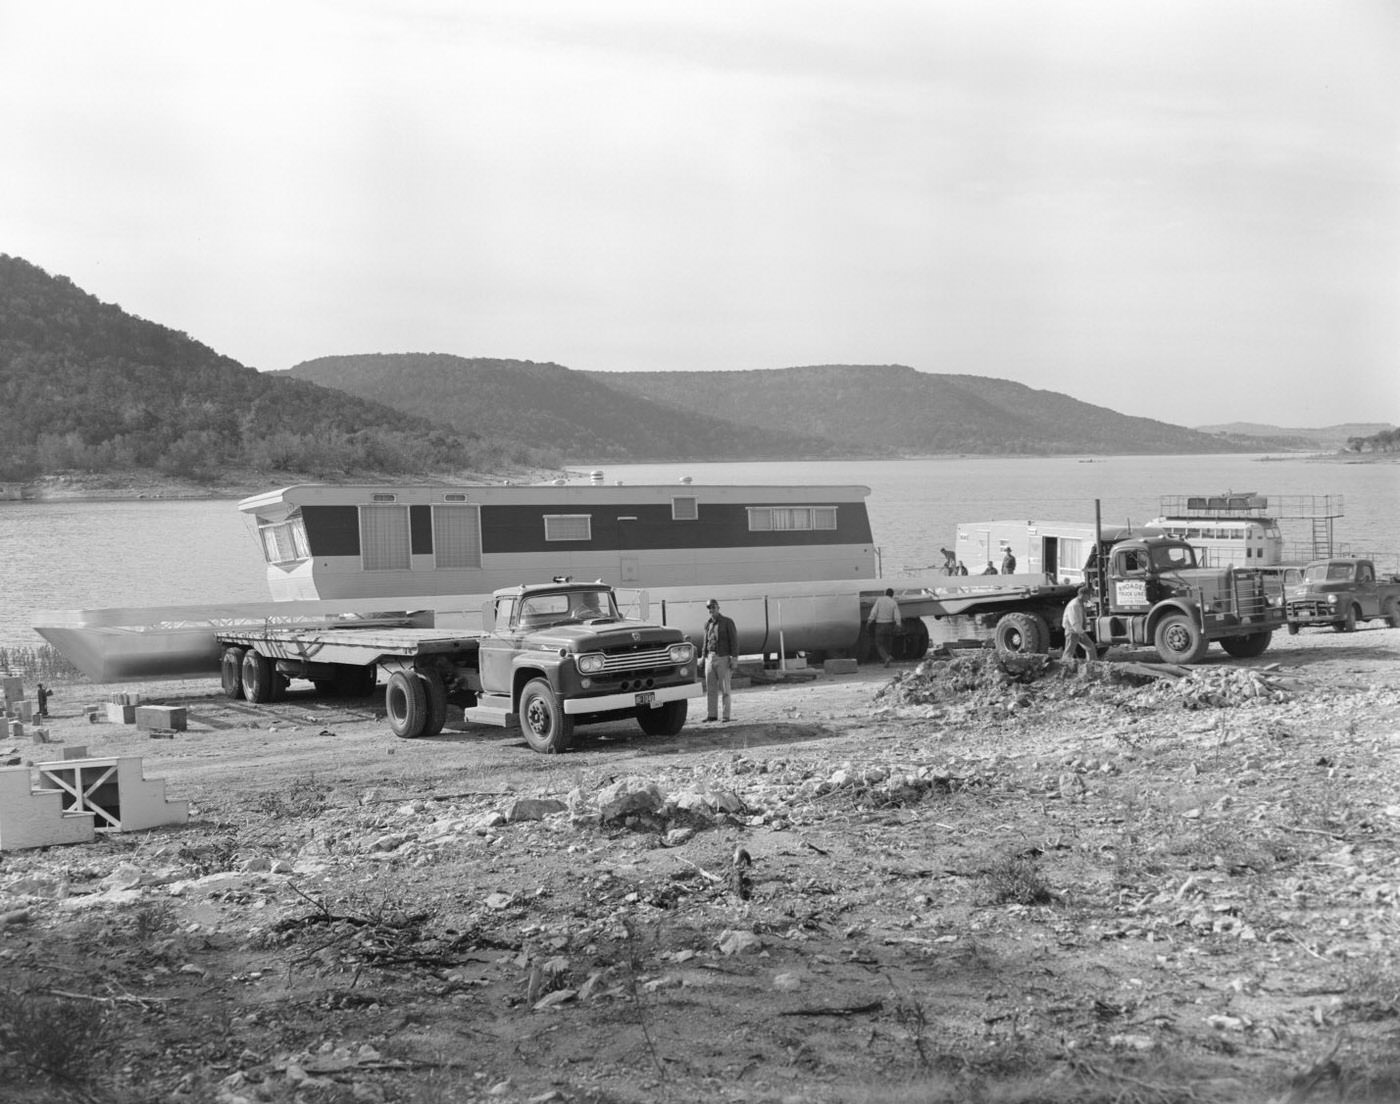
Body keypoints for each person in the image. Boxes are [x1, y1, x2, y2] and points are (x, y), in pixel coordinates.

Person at [700, 598, 739, 722]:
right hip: (709, 658)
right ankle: (712, 715)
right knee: (711, 688)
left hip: (723, 657)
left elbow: (734, 641)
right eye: (709, 608)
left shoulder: (727, 622)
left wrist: (734, 658)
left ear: (718, 607)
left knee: (725, 689)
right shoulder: (707, 624)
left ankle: (726, 716)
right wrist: (703, 657)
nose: (711, 610)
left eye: (713, 607)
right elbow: (705, 642)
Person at [866, 587, 903, 667]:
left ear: (885, 593)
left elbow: (874, 612)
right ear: (892, 595)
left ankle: (886, 658)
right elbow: (897, 615)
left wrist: (869, 621)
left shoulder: (879, 600)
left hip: (880, 625)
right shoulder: (893, 602)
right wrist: (898, 624)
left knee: (879, 643)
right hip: (889, 625)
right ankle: (888, 656)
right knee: (888, 643)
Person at [1061, 585, 1094, 662]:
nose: (1089, 598)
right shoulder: (1074, 605)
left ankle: (1091, 665)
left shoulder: (1080, 604)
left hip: (1078, 631)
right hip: (1072, 631)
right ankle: (1064, 666)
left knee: (1090, 646)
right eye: (1089, 596)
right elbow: (1074, 622)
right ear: (1083, 595)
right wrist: (1082, 633)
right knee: (1069, 651)